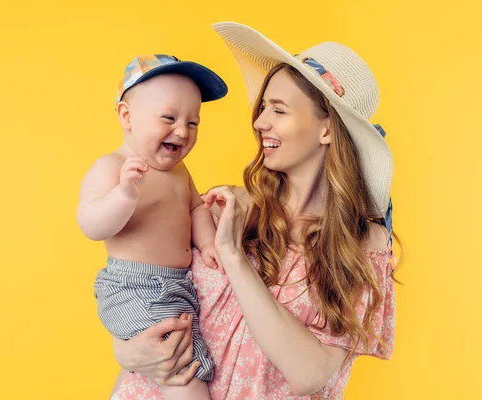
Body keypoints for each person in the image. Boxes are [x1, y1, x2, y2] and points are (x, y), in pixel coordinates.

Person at [110, 22, 399, 399]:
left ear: (327, 129)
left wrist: (233, 256)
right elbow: (142, 286)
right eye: (263, 107)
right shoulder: (224, 207)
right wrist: (128, 350)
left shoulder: (362, 246)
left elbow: (310, 372)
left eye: (278, 110)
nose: (260, 122)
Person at [77, 54, 228, 399]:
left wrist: (206, 245)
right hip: (134, 286)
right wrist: (124, 195)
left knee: (167, 364)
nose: (182, 131)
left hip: (177, 286)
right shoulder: (112, 167)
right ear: (127, 116)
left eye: (193, 123)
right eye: (169, 118)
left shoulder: (180, 173)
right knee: (182, 368)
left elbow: (194, 209)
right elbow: (91, 224)